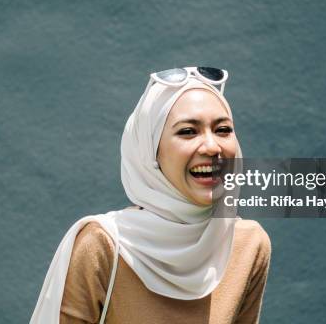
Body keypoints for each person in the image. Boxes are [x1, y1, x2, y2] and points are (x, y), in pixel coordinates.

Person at [30, 67, 271, 324]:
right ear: (151, 153)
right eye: (188, 131)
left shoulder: (248, 243)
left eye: (223, 130)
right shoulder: (103, 245)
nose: (212, 147)